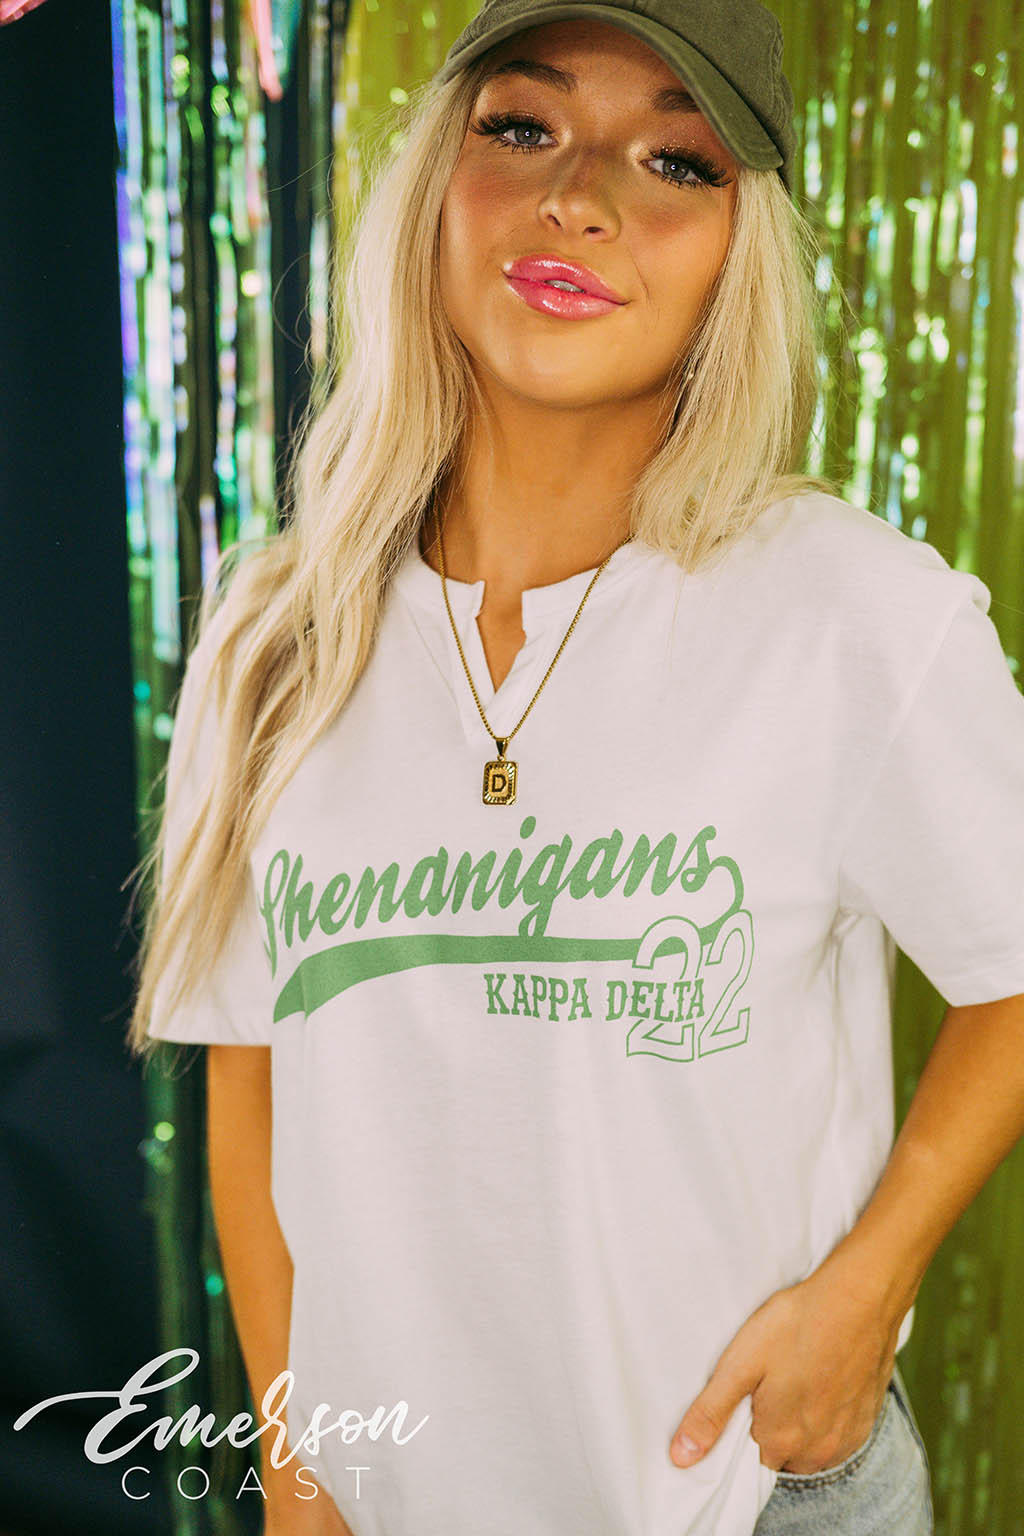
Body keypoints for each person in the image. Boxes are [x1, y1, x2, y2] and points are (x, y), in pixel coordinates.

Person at [126, 0, 1024, 1532]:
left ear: (741, 254)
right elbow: (250, 1082)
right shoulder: (277, 640)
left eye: (676, 161)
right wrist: (298, 1468)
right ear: (436, 182)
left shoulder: (853, 615)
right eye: (524, 127)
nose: (580, 197)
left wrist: (867, 1289)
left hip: (748, 1497)